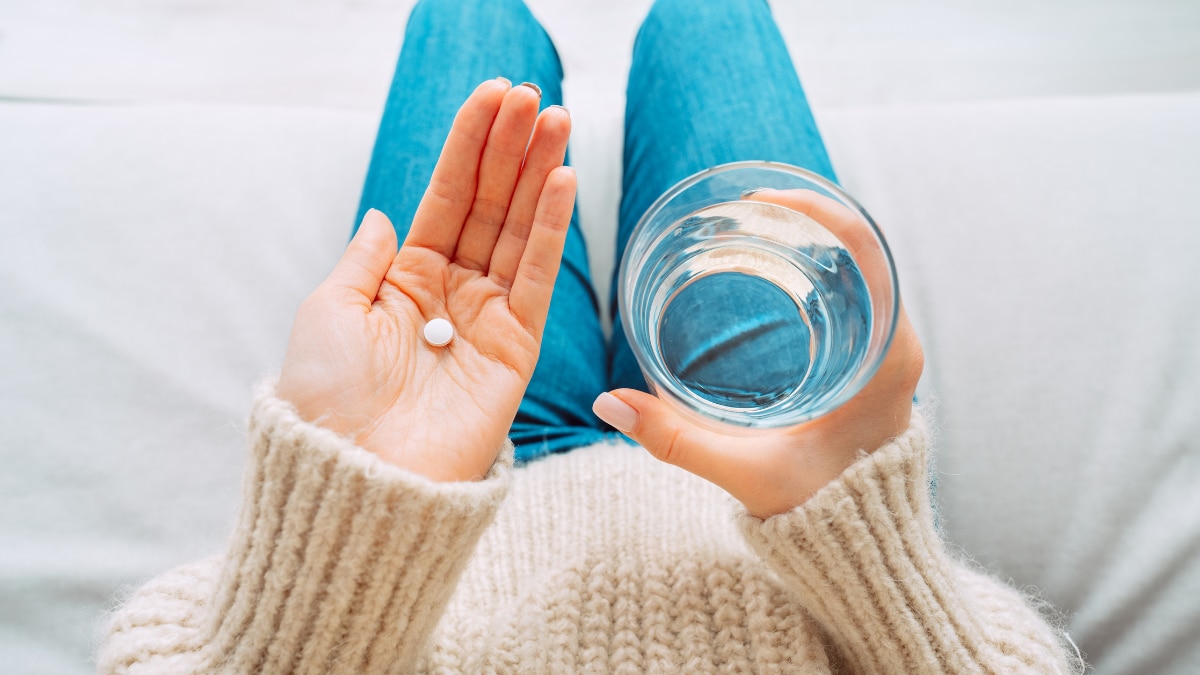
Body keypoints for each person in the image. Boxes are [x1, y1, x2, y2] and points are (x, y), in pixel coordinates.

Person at [97, 0, 1081, 672]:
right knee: (710, 19)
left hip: (444, 497)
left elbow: (158, 647)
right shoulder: (822, 503)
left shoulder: (389, 492)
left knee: (469, 20)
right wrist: (862, 528)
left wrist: (364, 503)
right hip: (785, 501)